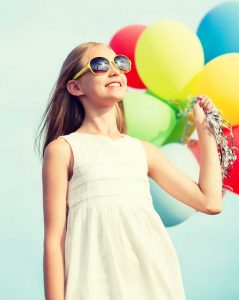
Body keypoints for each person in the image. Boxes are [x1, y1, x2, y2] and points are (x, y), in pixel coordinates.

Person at [36, 41, 223, 300]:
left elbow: (210, 201)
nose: (114, 71)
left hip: (154, 283)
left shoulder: (142, 151)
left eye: (120, 63)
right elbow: (54, 240)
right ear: (75, 86)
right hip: (92, 284)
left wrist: (205, 131)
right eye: (100, 65)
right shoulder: (64, 149)